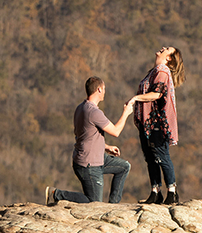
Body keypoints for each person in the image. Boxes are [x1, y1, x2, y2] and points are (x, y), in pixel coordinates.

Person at [45, 76, 136, 205]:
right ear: (99, 89)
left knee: (124, 167)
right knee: (94, 203)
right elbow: (116, 131)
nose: (105, 91)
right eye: (104, 89)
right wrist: (126, 113)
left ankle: (113, 205)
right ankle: (56, 194)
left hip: (95, 158)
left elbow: (85, 136)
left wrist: (106, 146)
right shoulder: (94, 112)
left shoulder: (80, 108)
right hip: (89, 165)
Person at [132, 45, 185, 205]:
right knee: (151, 158)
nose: (163, 48)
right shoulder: (154, 71)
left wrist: (135, 99)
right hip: (148, 123)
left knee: (161, 156)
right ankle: (155, 192)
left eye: (167, 49)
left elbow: (157, 93)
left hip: (157, 122)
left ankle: (172, 192)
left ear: (169, 58)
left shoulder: (162, 71)